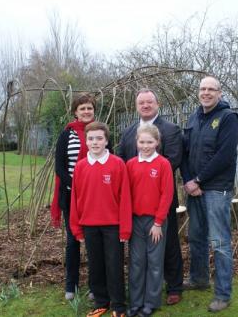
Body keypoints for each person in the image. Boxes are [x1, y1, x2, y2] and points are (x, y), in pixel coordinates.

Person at [181, 76, 238, 313]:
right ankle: (198, 279)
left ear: (220, 93)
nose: (206, 93)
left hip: (216, 188)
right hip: (194, 188)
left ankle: (223, 294)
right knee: (196, 236)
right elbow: (184, 152)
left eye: (211, 89)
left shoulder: (228, 118)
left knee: (219, 242)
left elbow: (224, 155)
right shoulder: (194, 117)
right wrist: (187, 180)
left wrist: (198, 180)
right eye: (202, 89)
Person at [118, 88, 184, 305]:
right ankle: (142, 291)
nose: (145, 106)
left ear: (158, 104)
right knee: (138, 253)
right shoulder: (128, 132)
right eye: (141, 103)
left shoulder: (171, 130)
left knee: (170, 244)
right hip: (135, 204)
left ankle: (174, 286)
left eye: (149, 102)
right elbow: (122, 163)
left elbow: (173, 159)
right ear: (137, 106)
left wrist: (149, 176)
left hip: (161, 201)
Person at [70, 121, 132, 317]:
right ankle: (101, 302)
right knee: (95, 266)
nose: (95, 142)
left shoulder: (117, 164)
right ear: (85, 142)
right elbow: (75, 200)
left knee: (114, 266)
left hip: (113, 226)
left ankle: (119, 306)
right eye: (90, 138)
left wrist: (125, 228)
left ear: (106, 141)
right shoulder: (80, 167)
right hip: (89, 226)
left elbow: (125, 199)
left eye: (99, 138)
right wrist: (77, 228)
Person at [50, 93, 95, 300]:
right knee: (73, 241)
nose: (86, 111)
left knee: (95, 242)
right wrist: (74, 186)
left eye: (89, 108)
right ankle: (71, 285)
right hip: (70, 196)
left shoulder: (99, 132)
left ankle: (96, 286)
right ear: (75, 112)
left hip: (95, 197)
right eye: (82, 108)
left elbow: (108, 158)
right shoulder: (66, 135)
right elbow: (59, 166)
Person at [126, 124, 174, 317]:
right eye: (142, 142)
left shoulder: (163, 164)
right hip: (136, 221)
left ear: (157, 143)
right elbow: (126, 195)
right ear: (136, 142)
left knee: (154, 262)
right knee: (137, 262)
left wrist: (158, 222)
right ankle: (136, 302)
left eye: (150, 142)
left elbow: (167, 194)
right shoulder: (130, 164)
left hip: (155, 223)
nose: (145, 146)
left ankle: (151, 302)